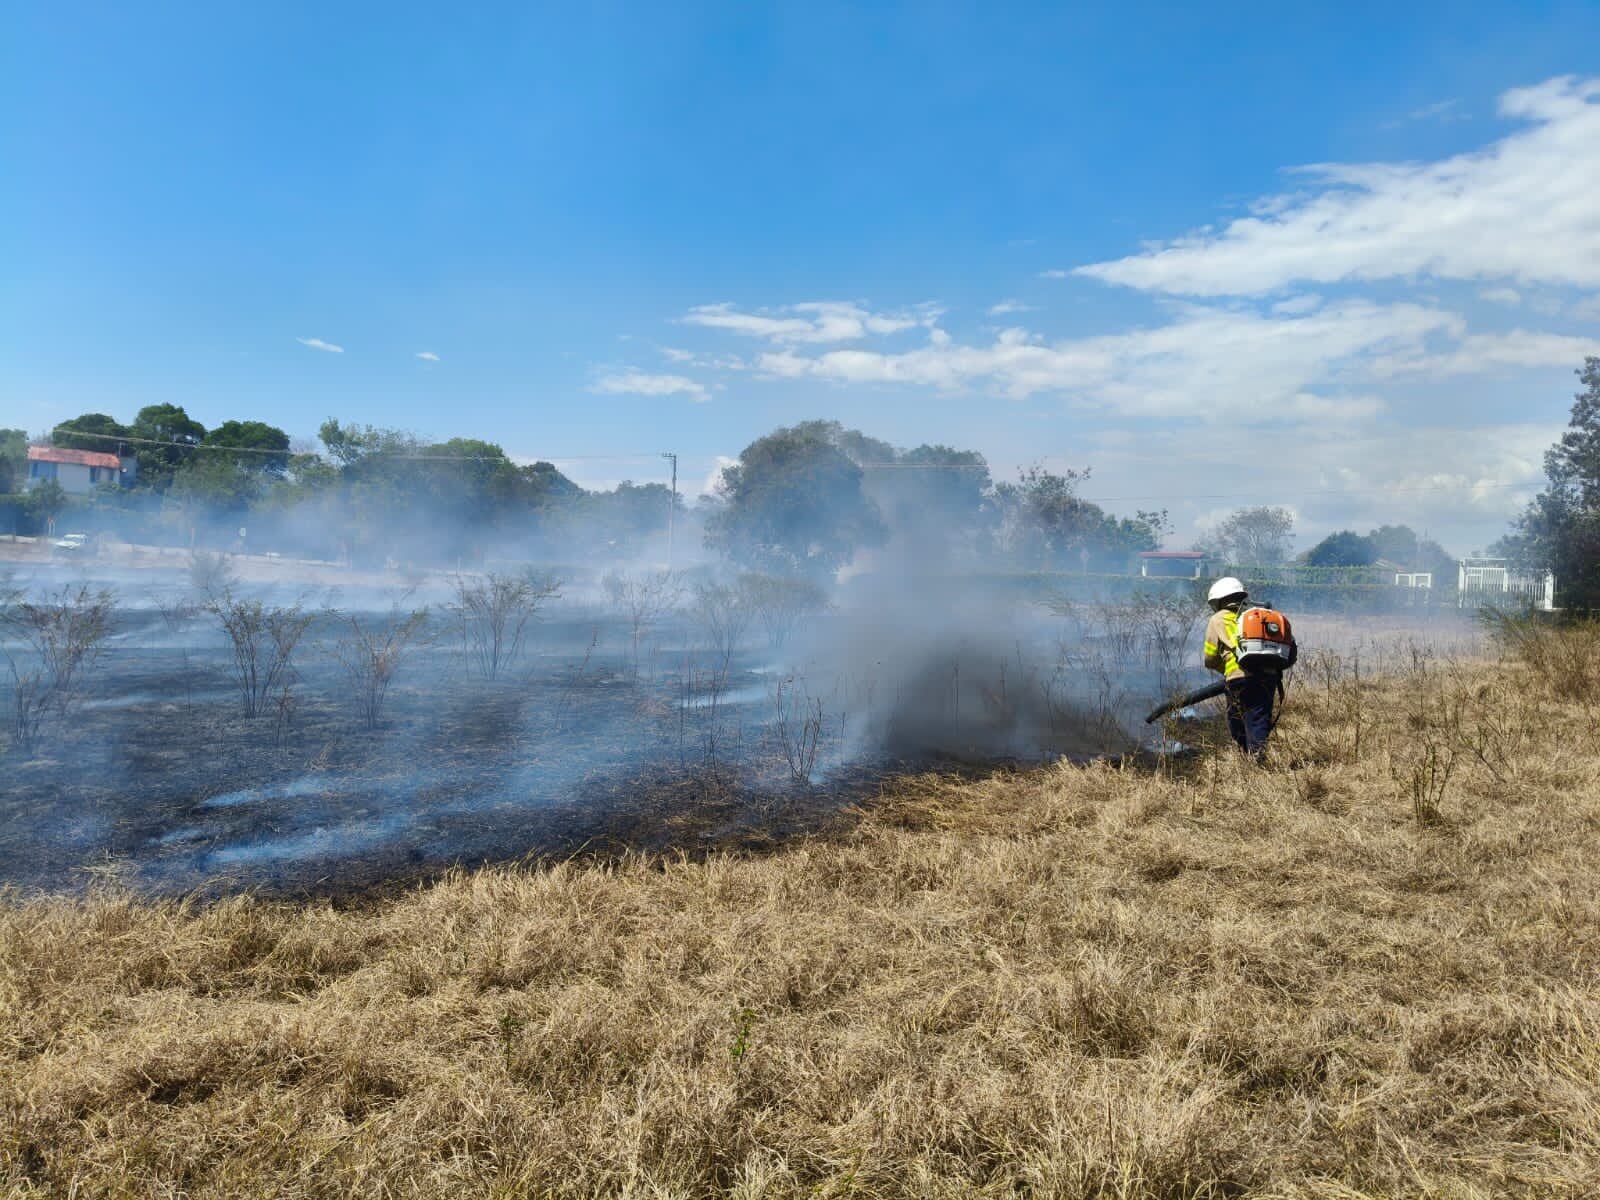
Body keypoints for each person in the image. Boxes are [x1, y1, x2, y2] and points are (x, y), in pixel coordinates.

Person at [1202, 576, 1277, 758]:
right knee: (1258, 717)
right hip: (1269, 676)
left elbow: (1210, 658)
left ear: (1219, 601)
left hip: (1238, 678)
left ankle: (1253, 760)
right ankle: (1256, 757)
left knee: (1237, 722)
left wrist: (1227, 670)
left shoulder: (1218, 619)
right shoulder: (1260, 616)